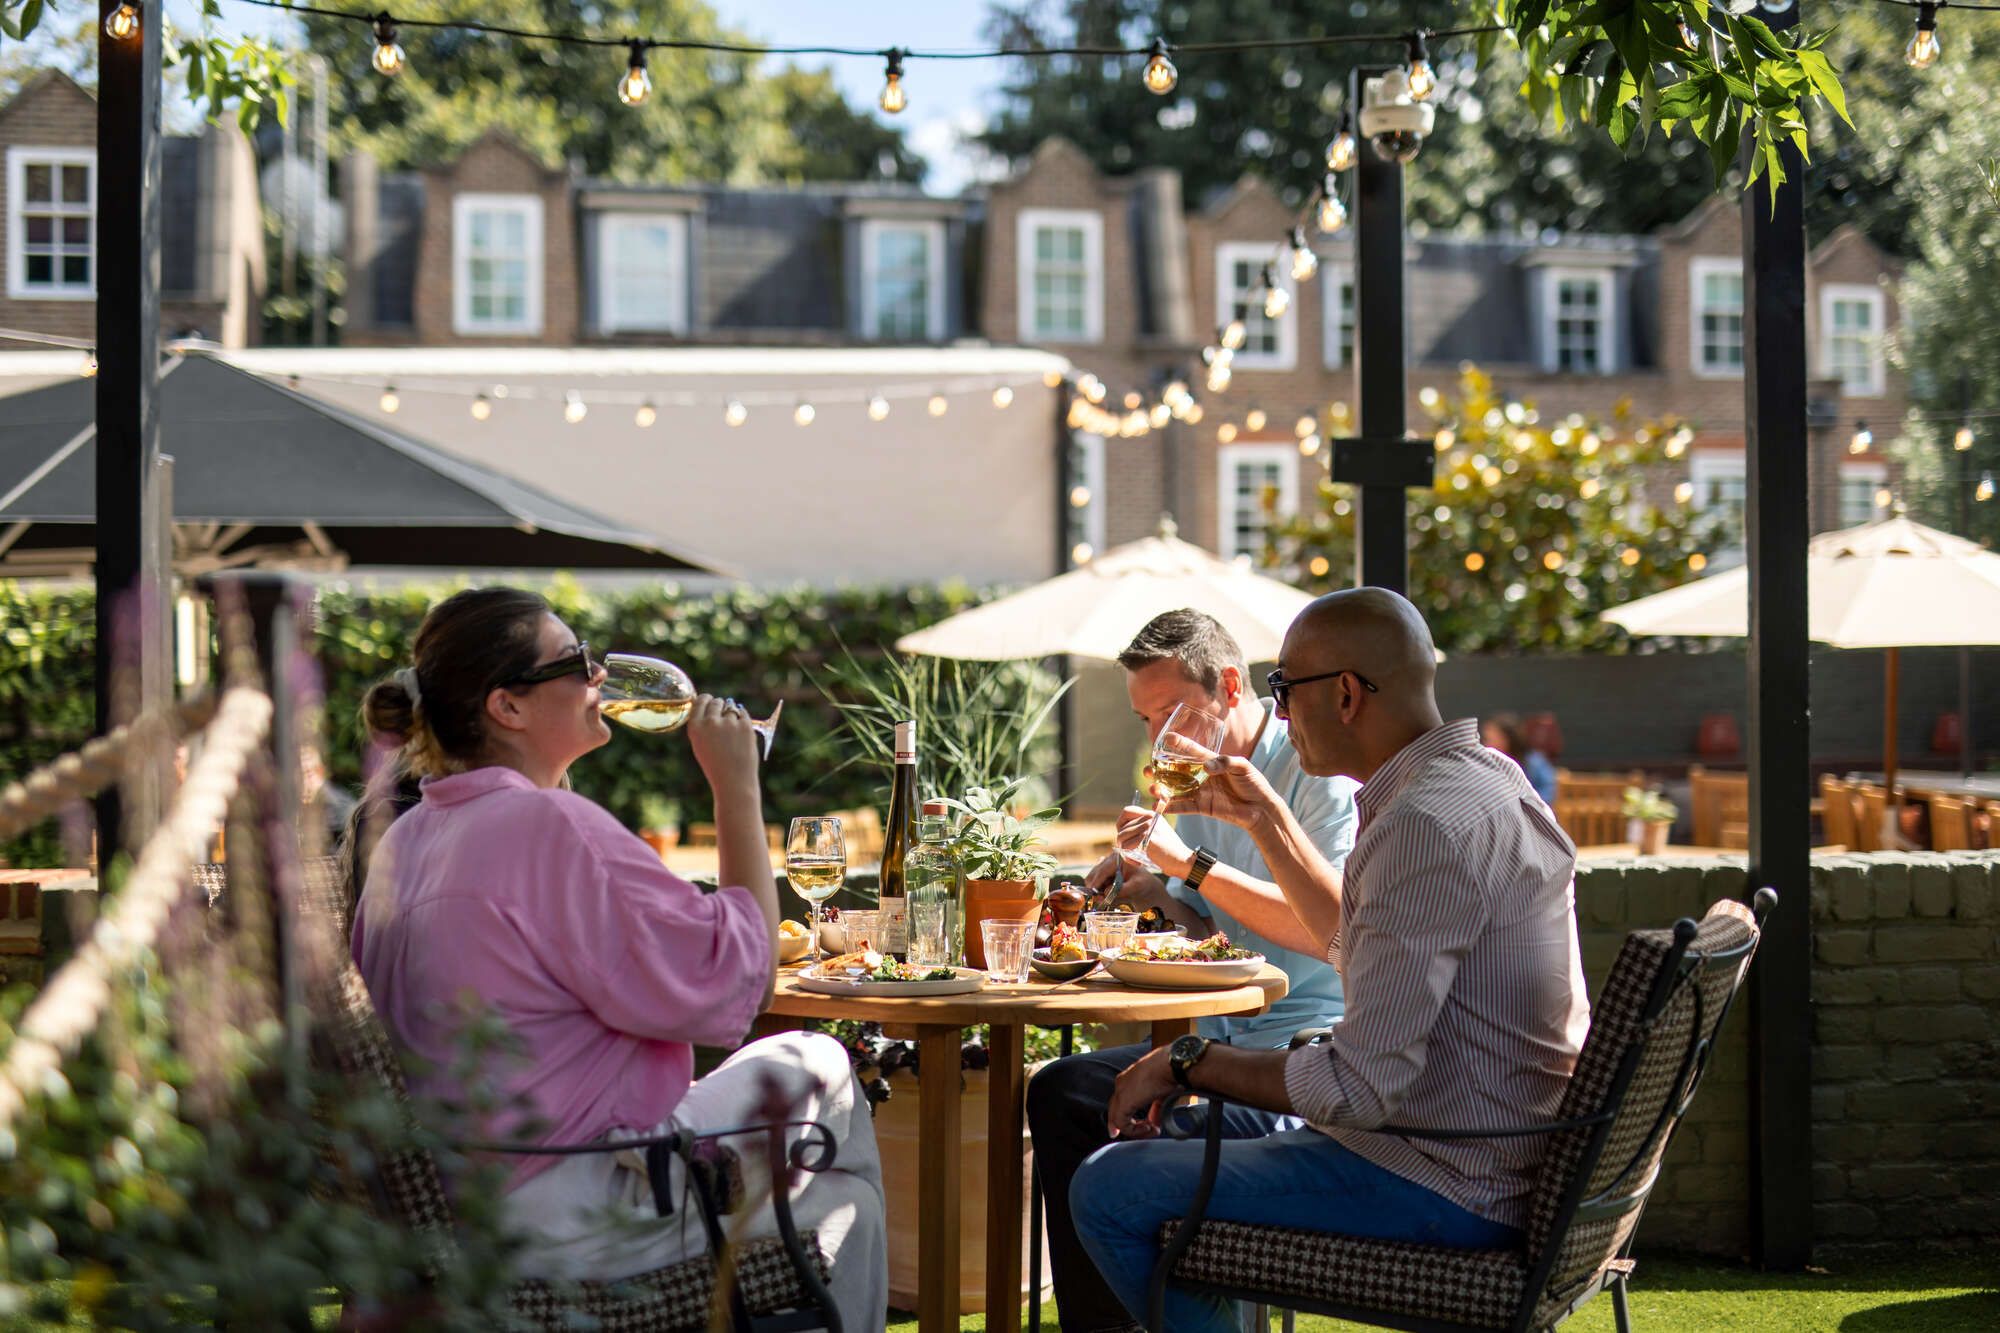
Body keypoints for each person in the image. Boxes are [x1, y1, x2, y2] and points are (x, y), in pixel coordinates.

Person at [347, 587, 885, 1331]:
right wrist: (736, 785)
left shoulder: (409, 839)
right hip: (568, 1203)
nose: (598, 675)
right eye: (575, 662)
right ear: (508, 706)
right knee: (836, 1139)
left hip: (455, 1201)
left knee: (813, 1072)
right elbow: (745, 973)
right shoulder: (544, 824)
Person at [1068, 588, 1591, 1333]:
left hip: (1443, 1175)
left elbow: (1358, 1086)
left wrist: (1187, 1059)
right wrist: (1263, 815)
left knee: (1111, 1186)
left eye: (1284, 689)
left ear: (1345, 694)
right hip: (1493, 1154)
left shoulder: (1422, 825)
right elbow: (1356, 944)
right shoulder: (1484, 783)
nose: (1277, 712)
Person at [1028, 608, 1359, 1333]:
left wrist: (1190, 865)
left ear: (1231, 686)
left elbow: (1328, 931)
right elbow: (1212, 935)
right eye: (1146, 720)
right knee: (1062, 1090)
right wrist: (1155, 893)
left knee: (1116, 1119)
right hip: (1211, 1041)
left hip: (1300, 1054)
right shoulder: (1191, 779)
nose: (1159, 740)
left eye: (1173, 712)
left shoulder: (1313, 774)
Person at [1481, 712, 1558, 805]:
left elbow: (1549, 790)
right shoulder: (1484, 763)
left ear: (1508, 739)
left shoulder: (1534, 762)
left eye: (1491, 739)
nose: (1486, 744)